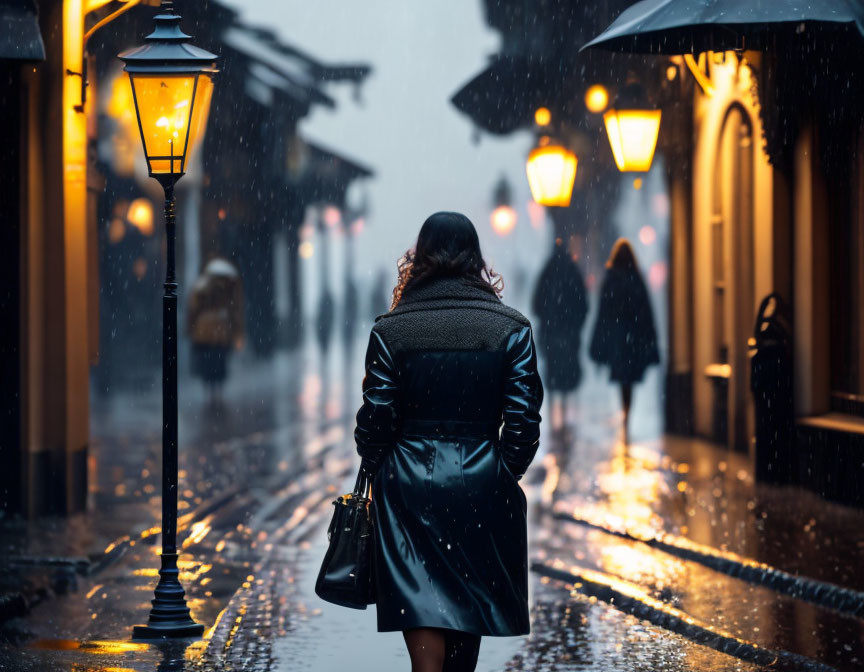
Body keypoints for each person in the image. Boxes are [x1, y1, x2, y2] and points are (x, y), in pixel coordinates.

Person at [354, 212, 543, 672]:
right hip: (481, 484)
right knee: (466, 611)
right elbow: (523, 423)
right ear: (476, 259)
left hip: (407, 488)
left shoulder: (391, 330)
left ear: (419, 258)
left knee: (420, 605)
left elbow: (376, 417)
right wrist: (497, 473)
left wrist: (381, 466)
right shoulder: (511, 329)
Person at [589, 238, 659, 443]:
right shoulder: (636, 279)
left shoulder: (612, 280)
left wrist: (602, 339)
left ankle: (625, 411)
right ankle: (627, 412)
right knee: (629, 378)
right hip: (633, 337)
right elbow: (645, 311)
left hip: (619, 338)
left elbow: (604, 312)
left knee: (623, 377)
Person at [531, 240, 589, 428]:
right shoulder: (573, 272)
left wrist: (548, 320)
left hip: (551, 332)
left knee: (554, 369)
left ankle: (554, 407)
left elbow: (537, 303)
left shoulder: (547, 272)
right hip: (568, 332)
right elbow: (583, 304)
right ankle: (564, 407)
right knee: (567, 369)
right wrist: (575, 324)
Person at [186, 257, 245, 401]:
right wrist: (237, 331)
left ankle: (210, 390)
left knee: (209, 363)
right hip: (220, 332)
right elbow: (235, 311)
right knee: (219, 362)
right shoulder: (228, 286)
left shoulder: (200, 287)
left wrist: (190, 329)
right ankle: (216, 391)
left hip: (204, 332)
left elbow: (192, 311)